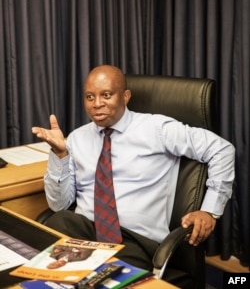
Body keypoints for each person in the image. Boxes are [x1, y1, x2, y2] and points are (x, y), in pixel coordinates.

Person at [32, 65, 235, 272]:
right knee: (55, 228)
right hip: (86, 231)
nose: (97, 104)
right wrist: (60, 156)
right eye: (90, 97)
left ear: (125, 96)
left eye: (107, 95)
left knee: (100, 275)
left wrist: (210, 210)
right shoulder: (76, 138)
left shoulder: (157, 129)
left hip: (135, 239)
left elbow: (221, 149)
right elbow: (59, 205)